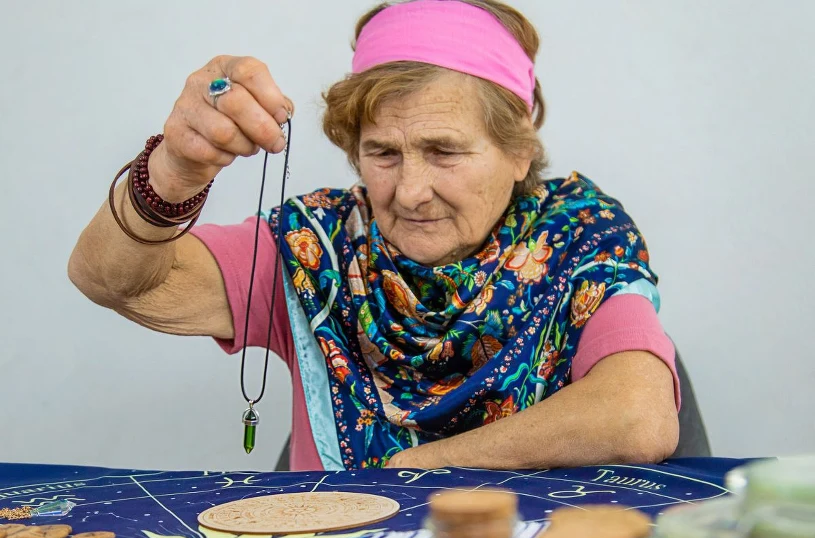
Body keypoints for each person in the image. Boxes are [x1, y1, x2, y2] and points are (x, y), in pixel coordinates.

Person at [68, 0, 680, 472]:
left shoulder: (579, 233)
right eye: (383, 153)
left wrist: (411, 470)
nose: (409, 192)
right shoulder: (318, 247)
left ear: (518, 150)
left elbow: (637, 416)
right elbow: (111, 280)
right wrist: (174, 172)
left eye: (444, 151)